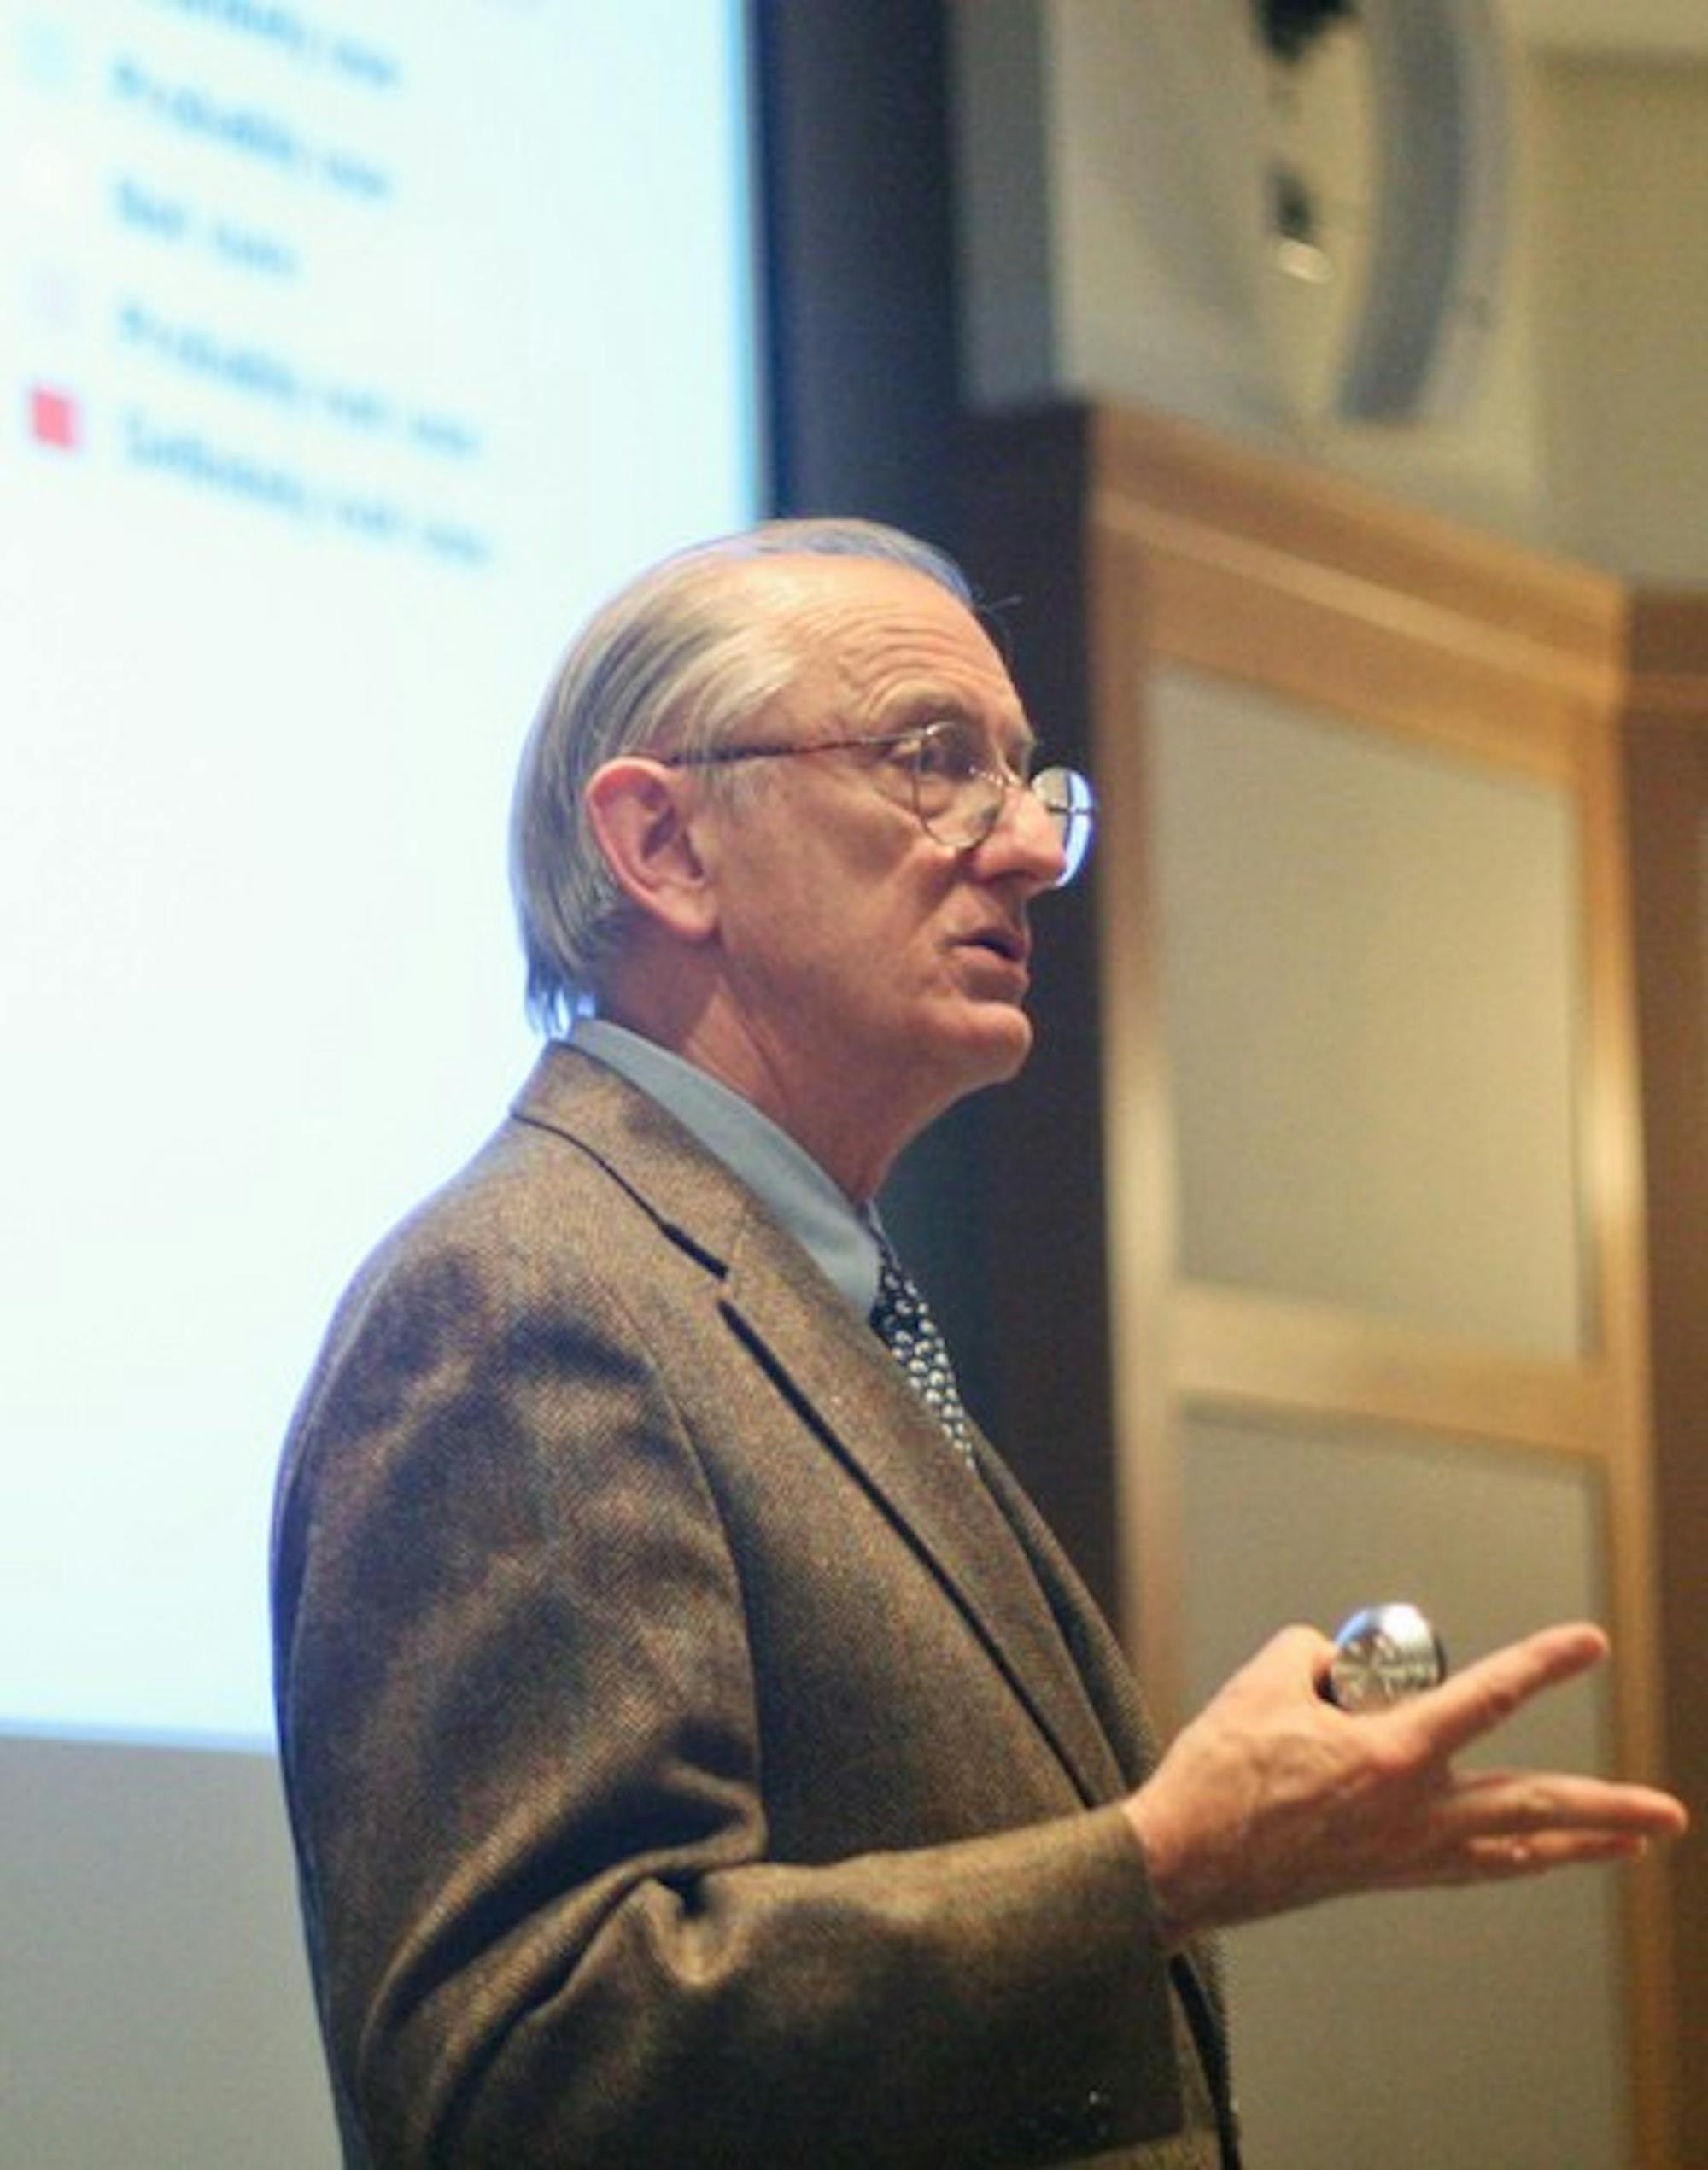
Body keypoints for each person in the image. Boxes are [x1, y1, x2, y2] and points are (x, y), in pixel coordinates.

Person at [272, 518, 1686, 2168]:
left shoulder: (811, 1299)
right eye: (934, 762)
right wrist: (1157, 1865)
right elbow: (527, 2065)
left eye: (1028, 785)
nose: (1025, 847)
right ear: (664, 845)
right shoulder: (526, 1299)